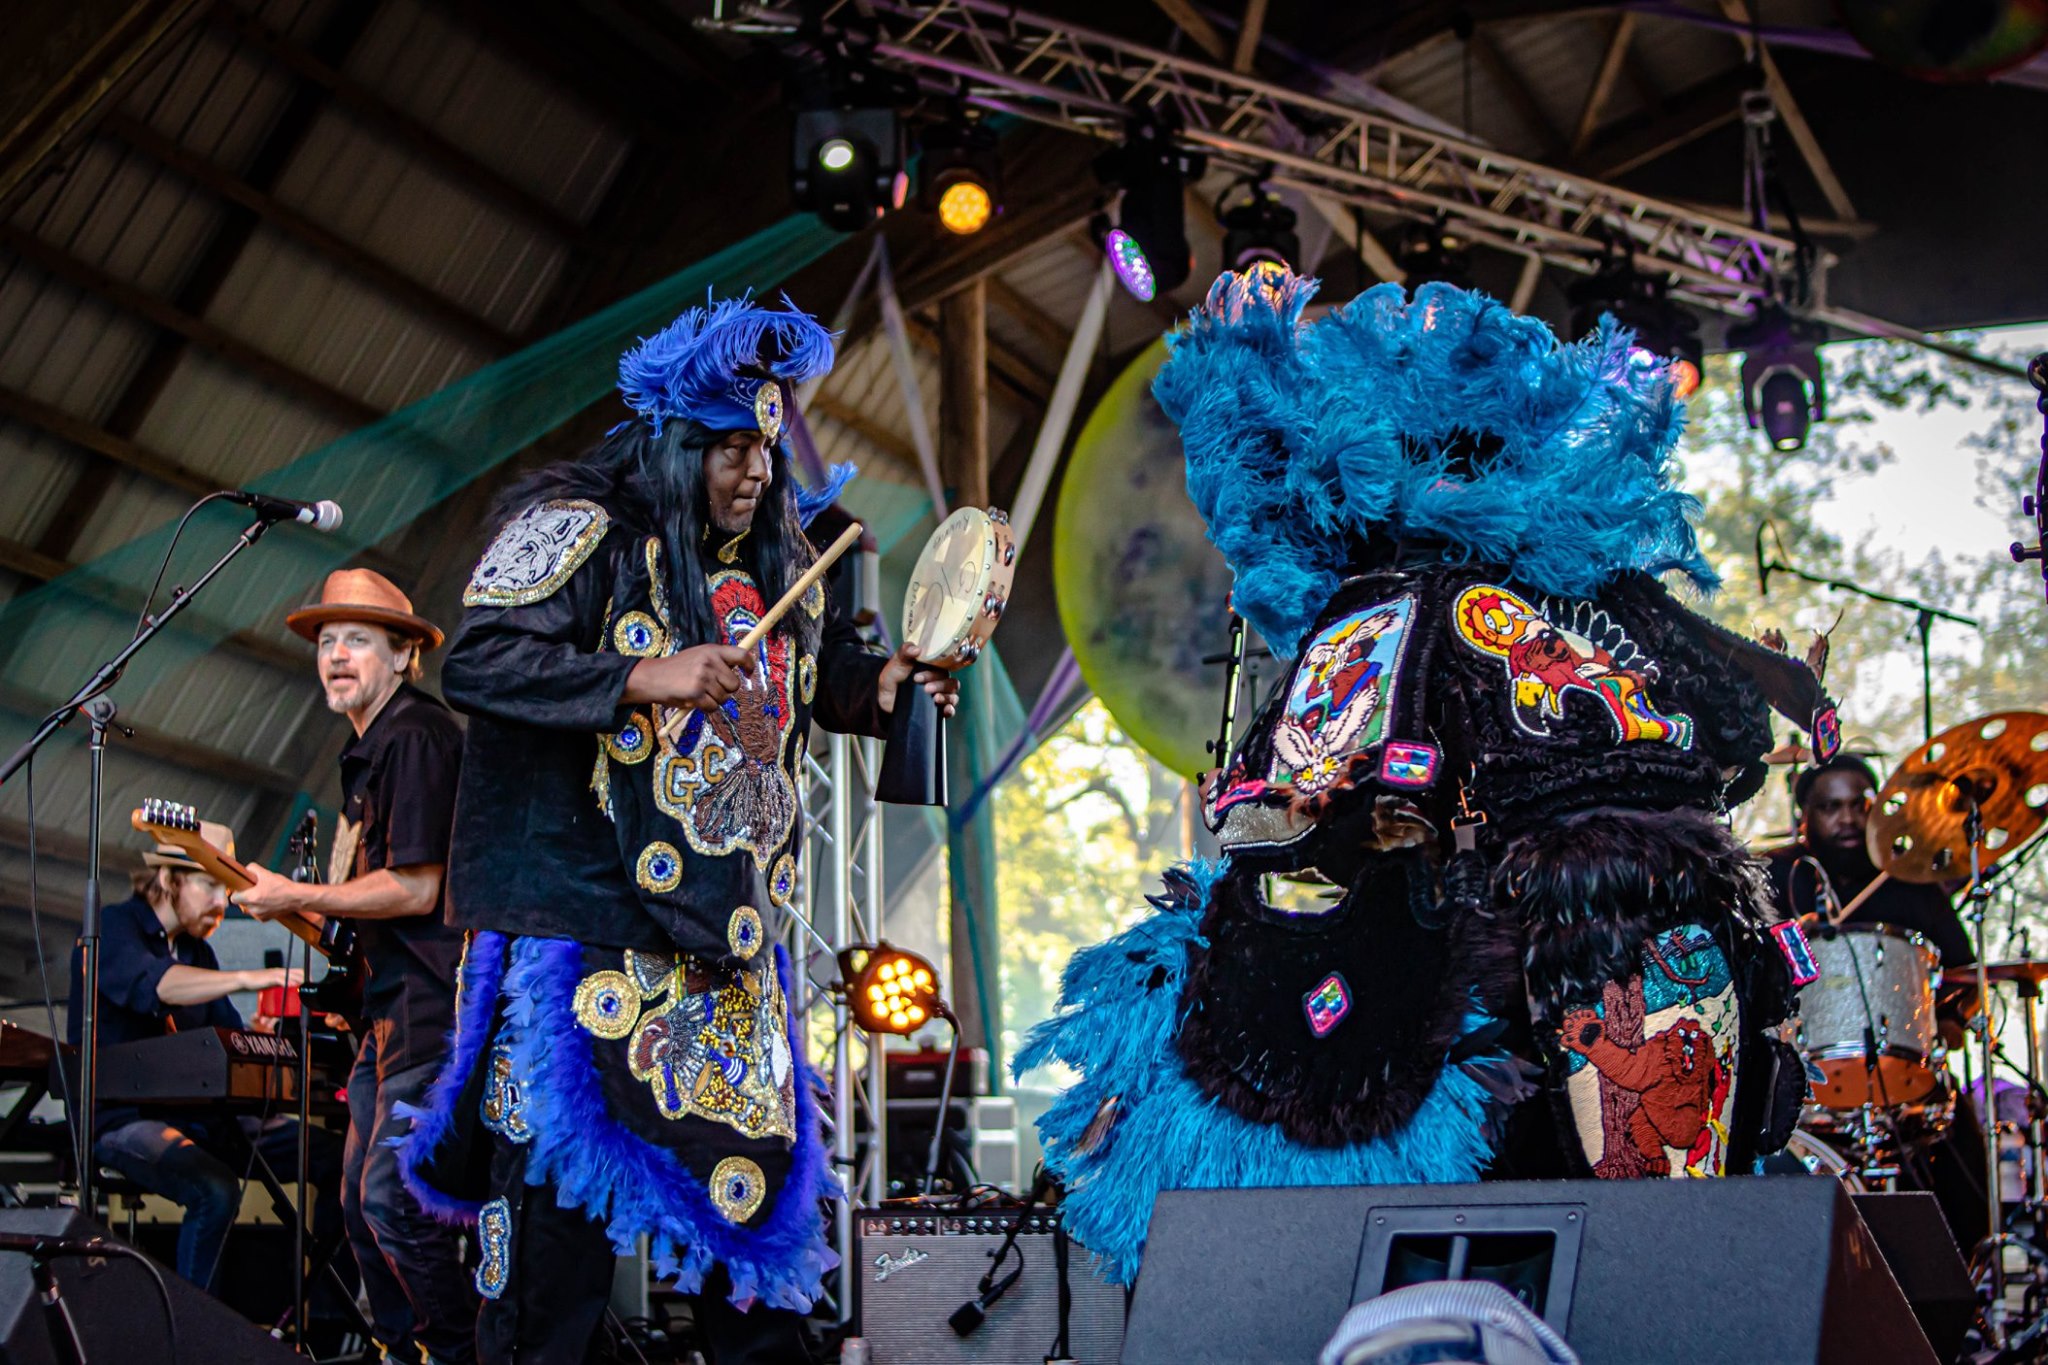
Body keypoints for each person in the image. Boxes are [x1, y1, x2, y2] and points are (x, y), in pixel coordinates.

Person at [1018, 267, 1831, 1282]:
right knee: (1638, 1277)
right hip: (1570, 994)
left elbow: (1283, 805)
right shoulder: (1587, 603)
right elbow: (1734, 734)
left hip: (1513, 1013)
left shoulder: (1393, 608)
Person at [398, 294, 957, 1364]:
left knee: (756, 1270)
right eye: (730, 450)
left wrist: (881, 686)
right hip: (584, 935)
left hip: (725, 954)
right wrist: (645, 675)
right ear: (676, 441)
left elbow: (818, 677)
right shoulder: (582, 524)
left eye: (766, 447)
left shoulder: (787, 552)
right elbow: (479, 660)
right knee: (550, 1266)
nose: (755, 472)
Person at [234, 569, 478, 1364]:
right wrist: (294, 909)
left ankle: (455, 1352)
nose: (336, 655)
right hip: (385, 1011)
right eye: (328, 641)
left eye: (358, 640)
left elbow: (417, 887)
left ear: (404, 654)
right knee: (356, 1203)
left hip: (431, 1010)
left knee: (391, 1199)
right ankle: (400, 1349)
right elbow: (368, 904)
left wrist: (296, 892)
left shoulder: (415, 735)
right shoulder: (370, 748)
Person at [66, 823, 336, 1292]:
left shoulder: (198, 951)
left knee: (340, 1161)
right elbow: (160, 985)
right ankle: (193, 1329)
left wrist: (256, 1040)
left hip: (208, 1118)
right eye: (209, 885)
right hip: (123, 1119)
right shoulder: (113, 927)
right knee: (214, 1190)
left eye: (225, 889)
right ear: (168, 879)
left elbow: (224, 1039)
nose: (221, 902)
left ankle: (326, 1315)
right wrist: (251, 977)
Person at [1766, 752, 1987, 1247]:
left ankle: (1964, 1270)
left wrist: (1950, 1020)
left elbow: (1965, 976)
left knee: (1961, 1140)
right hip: (1798, 1070)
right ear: (1805, 815)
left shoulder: (1908, 879)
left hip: (1902, 1066)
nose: (1847, 818)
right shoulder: (1775, 876)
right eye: (1830, 807)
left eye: (1859, 804)